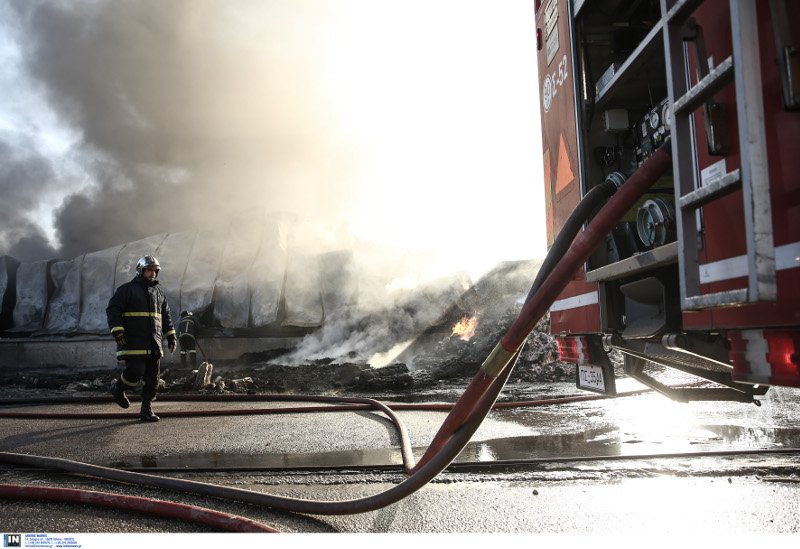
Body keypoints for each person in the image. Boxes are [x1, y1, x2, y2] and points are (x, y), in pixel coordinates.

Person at [106, 255, 176, 422]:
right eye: (149, 270)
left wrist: (171, 335)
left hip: (154, 343)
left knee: (153, 379)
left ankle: (146, 409)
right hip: (133, 342)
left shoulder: (159, 293)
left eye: (155, 270)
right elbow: (113, 310)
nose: (153, 273)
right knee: (135, 372)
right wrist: (117, 330)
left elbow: (165, 317)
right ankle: (118, 388)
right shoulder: (126, 290)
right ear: (141, 270)